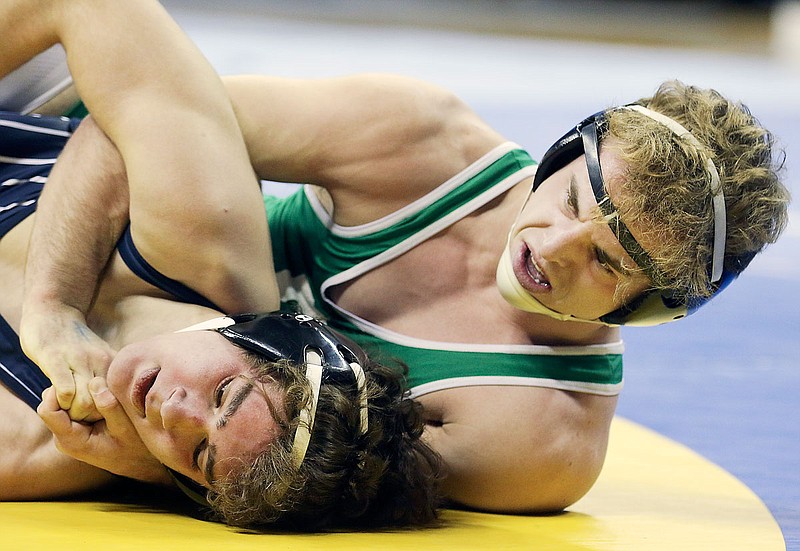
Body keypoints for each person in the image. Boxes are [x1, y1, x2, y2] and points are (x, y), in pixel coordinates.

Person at [7, 5, 790, 514]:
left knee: (56, 449)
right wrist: (54, 307)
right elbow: (135, 119)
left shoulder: (537, 435)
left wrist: (146, 463)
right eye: (576, 203)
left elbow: (291, 481)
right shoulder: (422, 141)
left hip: (189, 362)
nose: (550, 249)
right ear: (564, 150)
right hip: (153, 243)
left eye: (608, 264)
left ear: (652, 310)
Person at [0, 0, 440, 530]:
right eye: (225, 394)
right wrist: (54, 304)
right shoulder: (209, 240)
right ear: (266, 335)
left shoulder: (40, 441)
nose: (176, 416)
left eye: (202, 455)